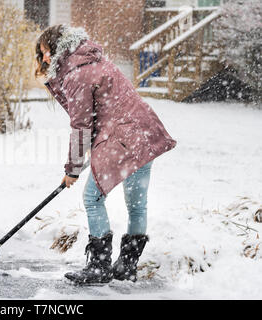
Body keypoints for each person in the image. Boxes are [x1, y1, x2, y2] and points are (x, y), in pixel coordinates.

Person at [35, 24, 177, 284]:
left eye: (46, 52)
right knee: (137, 205)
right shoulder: (95, 60)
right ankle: (126, 267)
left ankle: (99, 268)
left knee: (92, 198)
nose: (44, 59)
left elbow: (81, 126)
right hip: (144, 133)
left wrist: (72, 170)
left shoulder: (77, 74)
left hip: (123, 137)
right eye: (41, 54)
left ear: (58, 49)